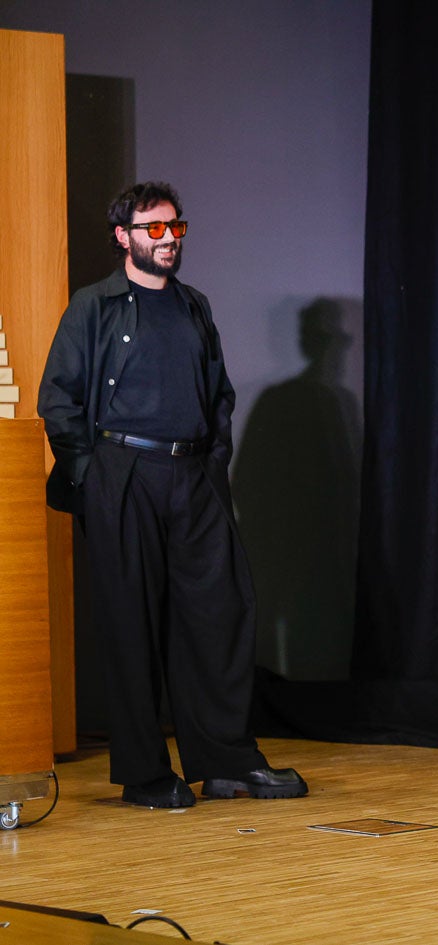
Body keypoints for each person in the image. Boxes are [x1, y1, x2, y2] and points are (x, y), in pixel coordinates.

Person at [39, 181, 307, 808]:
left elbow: (219, 395)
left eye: (174, 228)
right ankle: (145, 774)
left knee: (219, 616)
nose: (166, 240)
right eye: (153, 228)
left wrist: (213, 463)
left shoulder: (193, 305)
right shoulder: (94, 306)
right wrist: (93, 477)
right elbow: (60, 398)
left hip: (193, 478)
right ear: (123, 236)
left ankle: (226, 762)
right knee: (132, 623)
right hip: (123, 474)